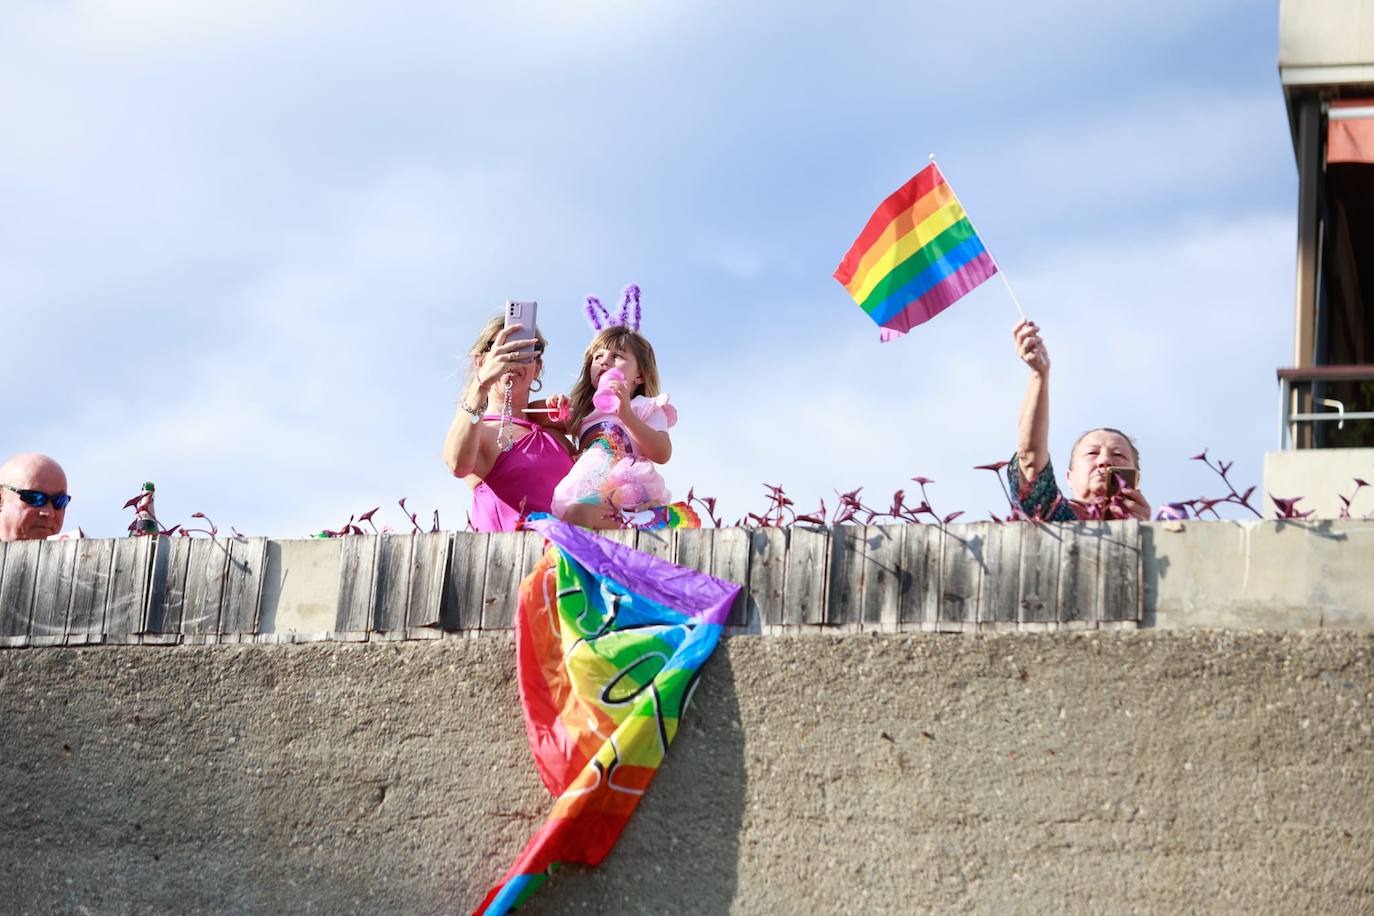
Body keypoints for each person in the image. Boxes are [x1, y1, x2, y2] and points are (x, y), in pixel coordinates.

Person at [547, 287, 698, 530]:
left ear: (639, 375)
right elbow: (535, 418)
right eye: (598, 357)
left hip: (627, 485)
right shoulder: (585, 412)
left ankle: (645, 520)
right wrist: (554, 406)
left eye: (617, 356)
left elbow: (662, 452)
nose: (604, 361)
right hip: (588, 486)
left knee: (579, 514)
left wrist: (626, 414)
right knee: (574, 516)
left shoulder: (645, 407)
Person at [1008, 319, 1151, 521]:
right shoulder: (1052, 515)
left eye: (1119, 455)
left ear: (1136, 477)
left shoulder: (1164, 534)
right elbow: (1030, 458)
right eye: (1092, 453)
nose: (1104, 461)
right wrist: (1039, 374)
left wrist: (1147, 534)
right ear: (1069, 477)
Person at [442, 316, 574, 532]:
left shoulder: (554, 433)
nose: (513, 360)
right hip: (509, 559)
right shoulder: (479, 431)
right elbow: (457, 464)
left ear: (537, 368)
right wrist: (480, 384)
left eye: (525, 353)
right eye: (503, 352)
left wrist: (568, 416)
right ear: (481, 362)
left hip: (566, 558)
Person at [0, 453, 71, 541]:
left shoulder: (79, 553)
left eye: (59, 501)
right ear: (1, 499)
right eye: (35, 498)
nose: (49, 513)